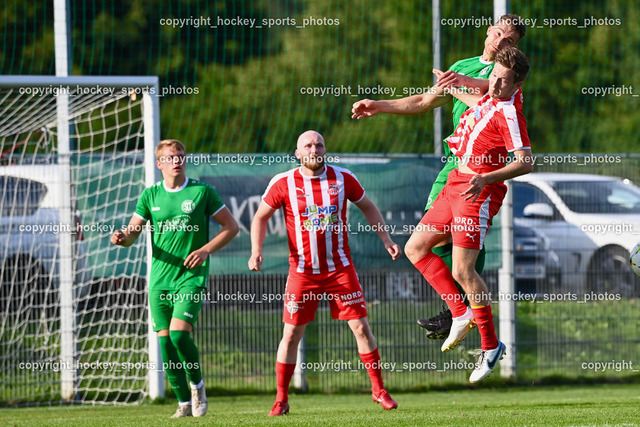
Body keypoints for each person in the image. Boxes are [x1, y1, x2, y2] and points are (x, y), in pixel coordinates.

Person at [351, 14, 526, 340]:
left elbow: (484, 99)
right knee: (427, 239)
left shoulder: (504, 76)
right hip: (455, 162)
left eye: (510, 42)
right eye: (500, 34)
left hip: (482, 167)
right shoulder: (464, 65)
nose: (503, 43)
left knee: (464, 240)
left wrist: (458, 82)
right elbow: (424, 100)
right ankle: (459, 309)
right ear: (489, 30)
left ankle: (461, 309)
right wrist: (381, 105)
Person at [248, 130, 401, 416]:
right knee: (291, 333)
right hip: (302, 271)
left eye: (319, 144)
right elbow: (260, 217)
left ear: (325, 149)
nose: (314, 149)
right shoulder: (283, 182)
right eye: (308, 145)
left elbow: (368, 207)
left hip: (340, 269)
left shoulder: (343, 178)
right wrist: (256, 250)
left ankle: (379, 390)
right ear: (297, 153)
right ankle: (281, 399)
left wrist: (387, 240)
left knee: (361, 327)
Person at [405, 46, 532, 382]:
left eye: (503, 81)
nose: (495, 84)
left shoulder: (510, 113)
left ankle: (491, 347)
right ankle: (460, 313)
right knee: (415, 248)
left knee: (464, 270)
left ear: (516, 85)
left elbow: (526, 161)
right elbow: (478, 95)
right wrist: (454, 84)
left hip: (478, 191)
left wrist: (487, 177)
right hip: (455, 181)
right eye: (493, 75)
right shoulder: (492, 94)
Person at [111, 139, 239, 418]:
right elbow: (132, 234)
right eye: (170, 157)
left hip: (190, 277)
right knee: (166, 342)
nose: (177, 160)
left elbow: (231, 227)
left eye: (180, 155)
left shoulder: (202, 191)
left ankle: (198, 386)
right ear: (159, 164)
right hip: (159, 280)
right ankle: (182, 403)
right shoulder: (150, 195)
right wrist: (122, 238)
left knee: (180, 334)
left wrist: (205, 250)